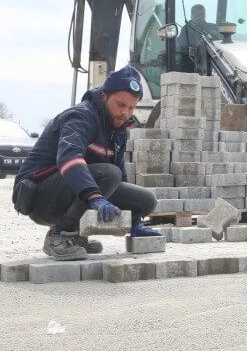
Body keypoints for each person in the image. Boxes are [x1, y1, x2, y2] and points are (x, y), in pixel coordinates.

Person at [12, 66, 159, 261]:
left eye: (131, 107)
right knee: (109, 174)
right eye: (121, 104)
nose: (125, 112)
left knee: (146, 199)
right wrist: (95, 197)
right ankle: (59, 236)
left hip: (70, 190)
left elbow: (120, 178)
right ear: (104, 96)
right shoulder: (81, 116)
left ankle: (77, 237)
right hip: (38, 197)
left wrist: (133, 218)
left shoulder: (118, 129)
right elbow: (69, 157)